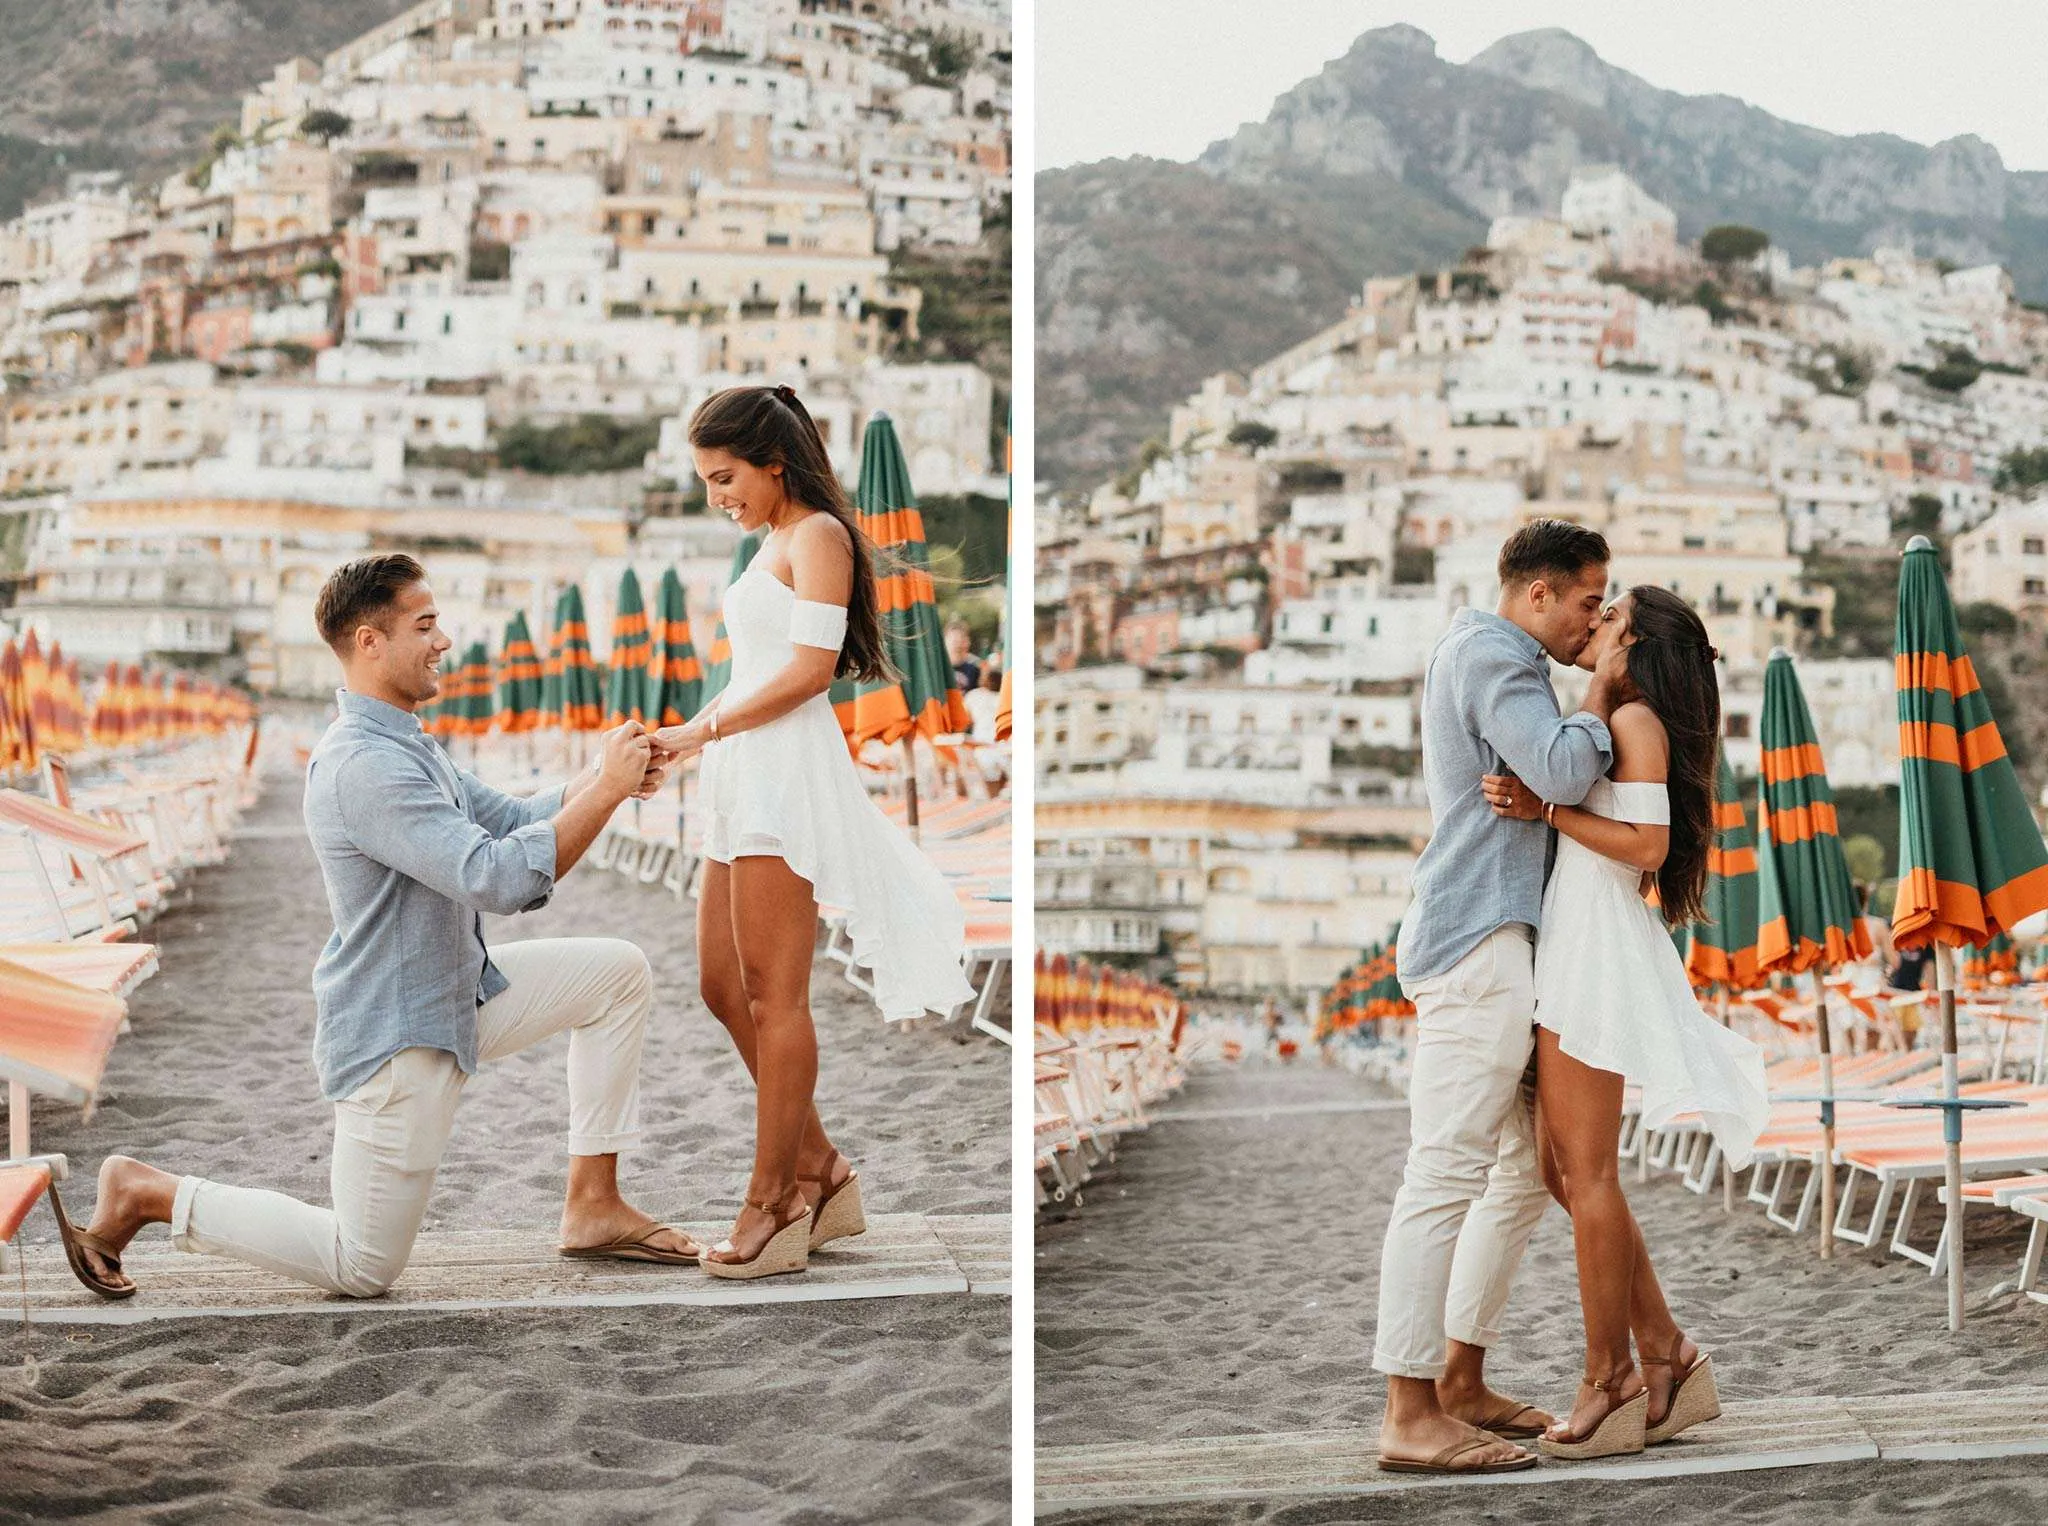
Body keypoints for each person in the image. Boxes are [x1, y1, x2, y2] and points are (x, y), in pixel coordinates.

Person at [52, 554, 691, 1301]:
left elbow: (517, 819)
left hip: (458, 998)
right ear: (369, 642)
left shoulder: (406, 743)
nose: (442, 640)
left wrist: (603, 775)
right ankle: (147, 1193)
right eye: (425, 625)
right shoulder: (363, 767)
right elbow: (497, 877)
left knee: (617, 972)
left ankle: (593, 1205)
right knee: (361, 1265)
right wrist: (608, 792)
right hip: (401, 1036)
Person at [650, 384, 974, 1280]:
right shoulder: (770, 545)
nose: (718, 497)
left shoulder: (819, 538)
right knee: (721, 985)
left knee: (774, 995)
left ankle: (774, 1202)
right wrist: (684, 738)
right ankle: (822, 1170)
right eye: (708, 482)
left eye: (725, 478)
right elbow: (751, 669)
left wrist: (707, 731)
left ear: (772, 462)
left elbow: (810, 672)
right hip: (737, 769)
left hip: (782, 776)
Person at [1484, 586, 1768, 1459]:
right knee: (1566, 1170)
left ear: (1633, 641)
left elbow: (1646, 848)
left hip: (1597, 947)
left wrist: (1548, 812)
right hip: (1583, 936)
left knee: (1588, 1170)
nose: (1595, 617)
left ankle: (1609, 1379)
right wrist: (1594, 701)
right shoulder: (1618, 714)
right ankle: (1669, 1353)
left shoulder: (1637, 721)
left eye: (1610, 613)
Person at [1373, 520, 1625, 1476]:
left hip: (1504, 941)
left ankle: (1460, 1380)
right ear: (1538, 595)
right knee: (1443, 1173)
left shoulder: (1491, 655)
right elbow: (1561, 769)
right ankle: (1408, 1411)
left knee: (1520, 1177)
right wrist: (1602, 690)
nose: (1595, 619)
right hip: (1476, 938)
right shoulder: (1493, 656)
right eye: (1588, 599)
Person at [946, 618, 982, 695]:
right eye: (955, 640)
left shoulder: (974, 671)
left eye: (962, 640)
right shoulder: (936, 669)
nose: (959, 645)